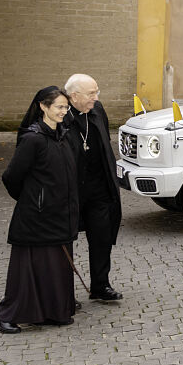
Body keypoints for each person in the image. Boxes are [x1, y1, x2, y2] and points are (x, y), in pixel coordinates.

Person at [0, 87, 78, 333]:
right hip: (35, 218)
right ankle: (5, 315)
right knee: (27, 270)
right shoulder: (33, 139)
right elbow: (11, 177)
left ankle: (53, 312)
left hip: (60, 215)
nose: (64, 112)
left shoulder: (63, 136)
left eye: (65, 107)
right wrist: (33, 200)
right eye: (59, 107)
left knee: (54, 266)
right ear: (43, 107)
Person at [64, 74, 122, 300]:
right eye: (91, 93)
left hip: (99, 188)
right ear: (74, 96)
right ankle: (64, 294)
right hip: (72, 191)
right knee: (65, 240)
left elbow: (104, 141)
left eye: (96, 92)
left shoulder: (97, 110)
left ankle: (100, 286)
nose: (96, 98)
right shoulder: (61, 115)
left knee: (101, 238)